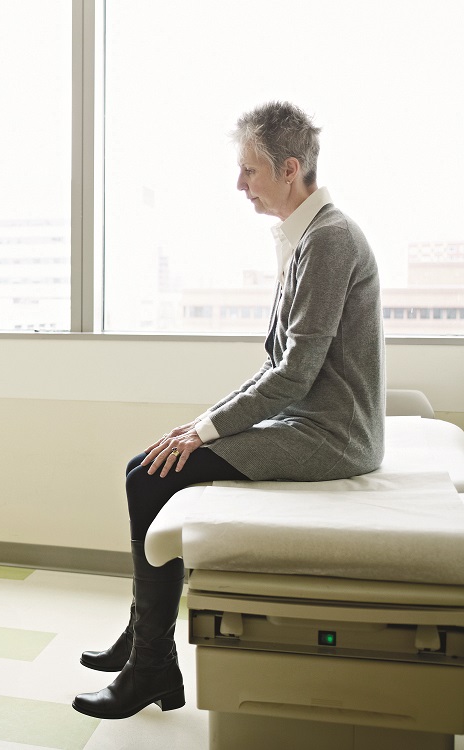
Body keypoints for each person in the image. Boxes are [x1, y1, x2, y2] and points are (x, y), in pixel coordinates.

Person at [72, 101, 385, 721]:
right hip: (307, 420)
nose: (239, 185)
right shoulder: (304, 238)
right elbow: (282, 368)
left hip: (334, 435)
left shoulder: (328, 241)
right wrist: (198, 425)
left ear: (290, 169)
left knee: (153, 474)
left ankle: (152, 663)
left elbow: (295, 375)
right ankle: (145, 643)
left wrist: (205, 430)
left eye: (250, 172)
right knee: (148, 464)